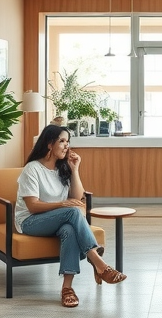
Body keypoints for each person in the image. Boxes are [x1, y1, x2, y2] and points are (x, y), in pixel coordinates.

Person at [15, 124, 126, 307]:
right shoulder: (32, 169)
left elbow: (76, 197)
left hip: (58, 220)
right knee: (73, 211)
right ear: (50, 144)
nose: (67, 146)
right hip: (30, 221)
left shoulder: (62, 168)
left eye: (68, 141)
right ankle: (98, 262)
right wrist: (63, 204)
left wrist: (75, 169)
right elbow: (32, 206)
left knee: (69, 230)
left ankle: (67, 289)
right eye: (62, 141)